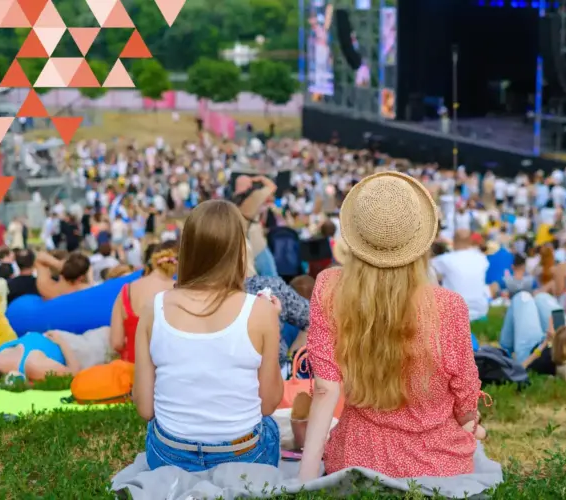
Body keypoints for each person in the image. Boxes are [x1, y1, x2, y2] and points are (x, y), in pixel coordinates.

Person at [299, 172, 484, 481]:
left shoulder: (329, 287)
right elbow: (465, 396)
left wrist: (304, 481)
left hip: (355, 461)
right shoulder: (449, 306)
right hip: (435, 467)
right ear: (420, 238)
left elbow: (325, 388)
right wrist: (472, 423)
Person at [133, 200, 283, 472]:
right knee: (271, 427)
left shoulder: (153, 308)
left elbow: (145, 408)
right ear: (239, 250)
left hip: (169, 457)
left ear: (187, 249)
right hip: (244, 457)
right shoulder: (260, 311)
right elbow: (269, 403)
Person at [110, 240, 178, 363]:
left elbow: (116, 343)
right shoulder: (178, 291)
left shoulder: (127, 290)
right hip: (166, 372)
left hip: (132, 371)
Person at [0, 328, 113, 382]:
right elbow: (75, 373)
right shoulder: (33, 365)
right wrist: (62, 343)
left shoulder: (3, 349)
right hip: (84, 350)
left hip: (76, 338)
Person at [431, 229, 491, 321]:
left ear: (453, 241)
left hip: (453, 312)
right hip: (480, 311)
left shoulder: (445, 260)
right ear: (470, 241)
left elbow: (426, 269)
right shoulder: (482, 258)